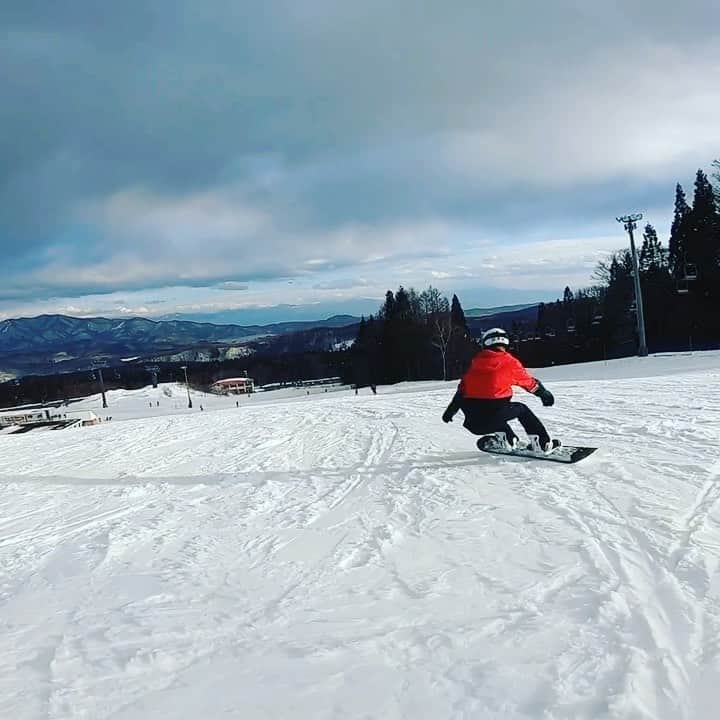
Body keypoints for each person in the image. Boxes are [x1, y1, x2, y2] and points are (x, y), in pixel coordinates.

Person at [442, 327, 559, 453]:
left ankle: (508, 439)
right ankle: (542, 444)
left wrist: (450, 411)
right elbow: (529, 383)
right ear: (505, 343)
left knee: (492, 410)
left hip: (474, 425)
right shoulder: (509, 362)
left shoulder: (473, 364)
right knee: (520, 409)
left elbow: (460, 393)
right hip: (493, 418)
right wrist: (544, 394)